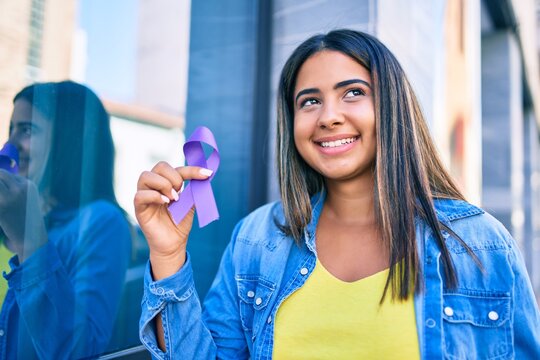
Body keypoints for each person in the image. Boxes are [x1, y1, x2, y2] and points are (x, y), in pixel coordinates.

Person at [135, 29, 540, 359]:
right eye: (309, 101)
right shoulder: (257, 239)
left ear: (392, 106)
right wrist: (167, 258)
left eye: (353, 93)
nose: (328, 116)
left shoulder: (481, 244)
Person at [0, 81, 132, 359]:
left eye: (26, 130)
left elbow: (79, 351)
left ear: (67, 139)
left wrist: (29, 241)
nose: (9, 146)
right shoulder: (18, 218)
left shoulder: (103, 222)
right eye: (10, 129)